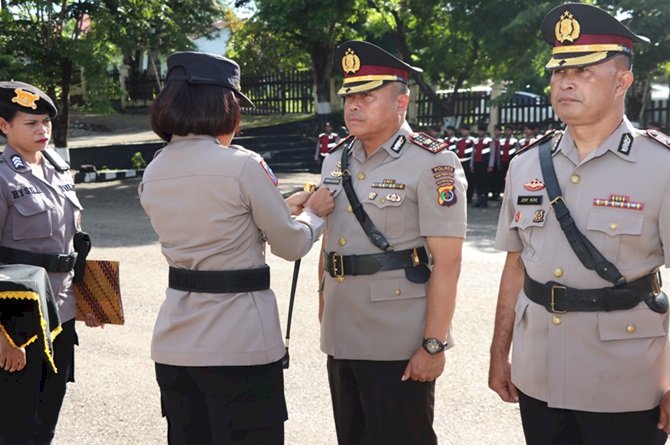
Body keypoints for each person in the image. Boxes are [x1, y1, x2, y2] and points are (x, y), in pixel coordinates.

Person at [488, 3, 670, 444]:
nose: (565, 81)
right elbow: (516, 266)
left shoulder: (669, 168)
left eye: (584, 71)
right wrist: (498, 351)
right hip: (538, 374)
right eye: (558, 71)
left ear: (623, 81)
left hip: (624, 385)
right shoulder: (526, 164)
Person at [138, 51, 335, 445]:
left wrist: (281, 206)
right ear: (221, 106)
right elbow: (291, 244)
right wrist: (313, 215)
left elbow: (216, 223)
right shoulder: (243, 165)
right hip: (239, 345)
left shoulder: (154, 168)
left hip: (176, 343)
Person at [317, 40, 467, 445]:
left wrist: (433, 344)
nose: (352, 105)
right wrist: (323, 306)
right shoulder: (336, 160)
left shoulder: (432, 162)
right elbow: (330, 242)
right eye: (350, 95)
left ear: (402, 102)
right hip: (343, 331)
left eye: (367, 95)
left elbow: (447, 262)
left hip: (397, 338)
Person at [0, 81, 100, 444]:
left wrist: (90, 301)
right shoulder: (2, 176)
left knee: (46, 422)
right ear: (4, 126)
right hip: (16, 321)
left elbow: (74, 246)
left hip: (61, 314)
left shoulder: (58, 169)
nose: (42, 130)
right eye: (31, 123)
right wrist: (1, 337)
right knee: (14, 425)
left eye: (46, 122)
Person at [469, 123, 492, 207]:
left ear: (485, 132)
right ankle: (479, 199)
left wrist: (491, 165)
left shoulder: (489, 141)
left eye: (482, 131)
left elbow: (492, 153)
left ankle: (484, 200)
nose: (480, 132)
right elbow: (473, 154)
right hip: (476, 164)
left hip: (485, 164)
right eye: (479, 131)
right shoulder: (475, 141)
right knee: (477, 183)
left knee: (485, 183)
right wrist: (471, 164)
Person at [455, 124, 475, 203]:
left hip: (468, 162)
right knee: (460, 180)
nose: (463, 132)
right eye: (462, 130)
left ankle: (469, 196)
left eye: (465, 130)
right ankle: (462, 196)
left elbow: (473, 153)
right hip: (460, 162)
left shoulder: (472, 140)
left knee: (469, 180)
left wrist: (471, 164)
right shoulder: (458, 140)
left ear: (469, 131)